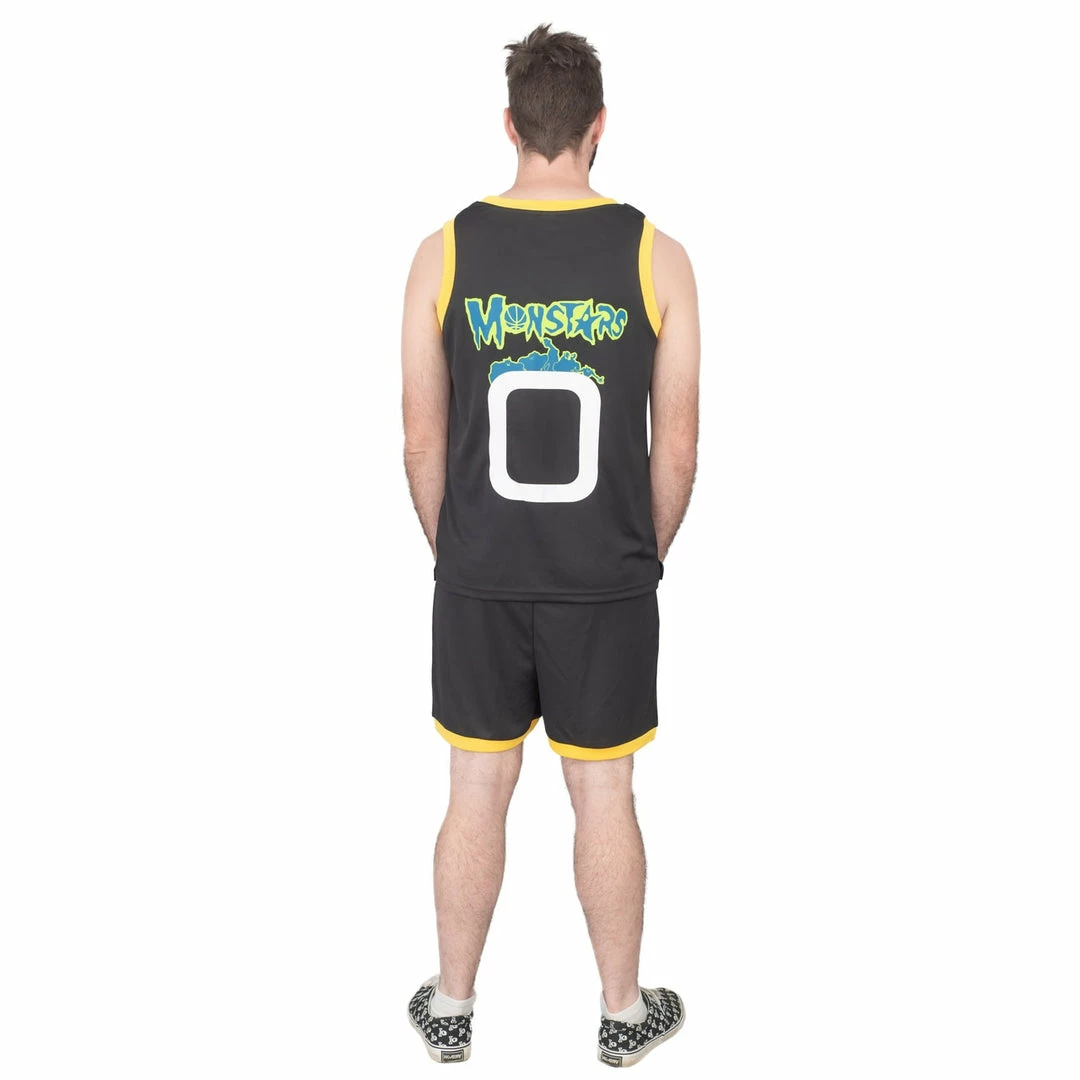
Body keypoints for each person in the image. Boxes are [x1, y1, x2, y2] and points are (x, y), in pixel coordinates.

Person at [400, 23, 699, 1068]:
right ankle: (622, 1015)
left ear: (511, 124)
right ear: (599, 126)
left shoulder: (442, 252)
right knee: (605, 793)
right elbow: (679, 445)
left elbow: (421, 439)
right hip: (604, 581)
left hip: (480, 577)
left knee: (474, 790)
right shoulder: (658, 256)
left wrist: (461, 555)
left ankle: (451, 1007)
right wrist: (638, 561)